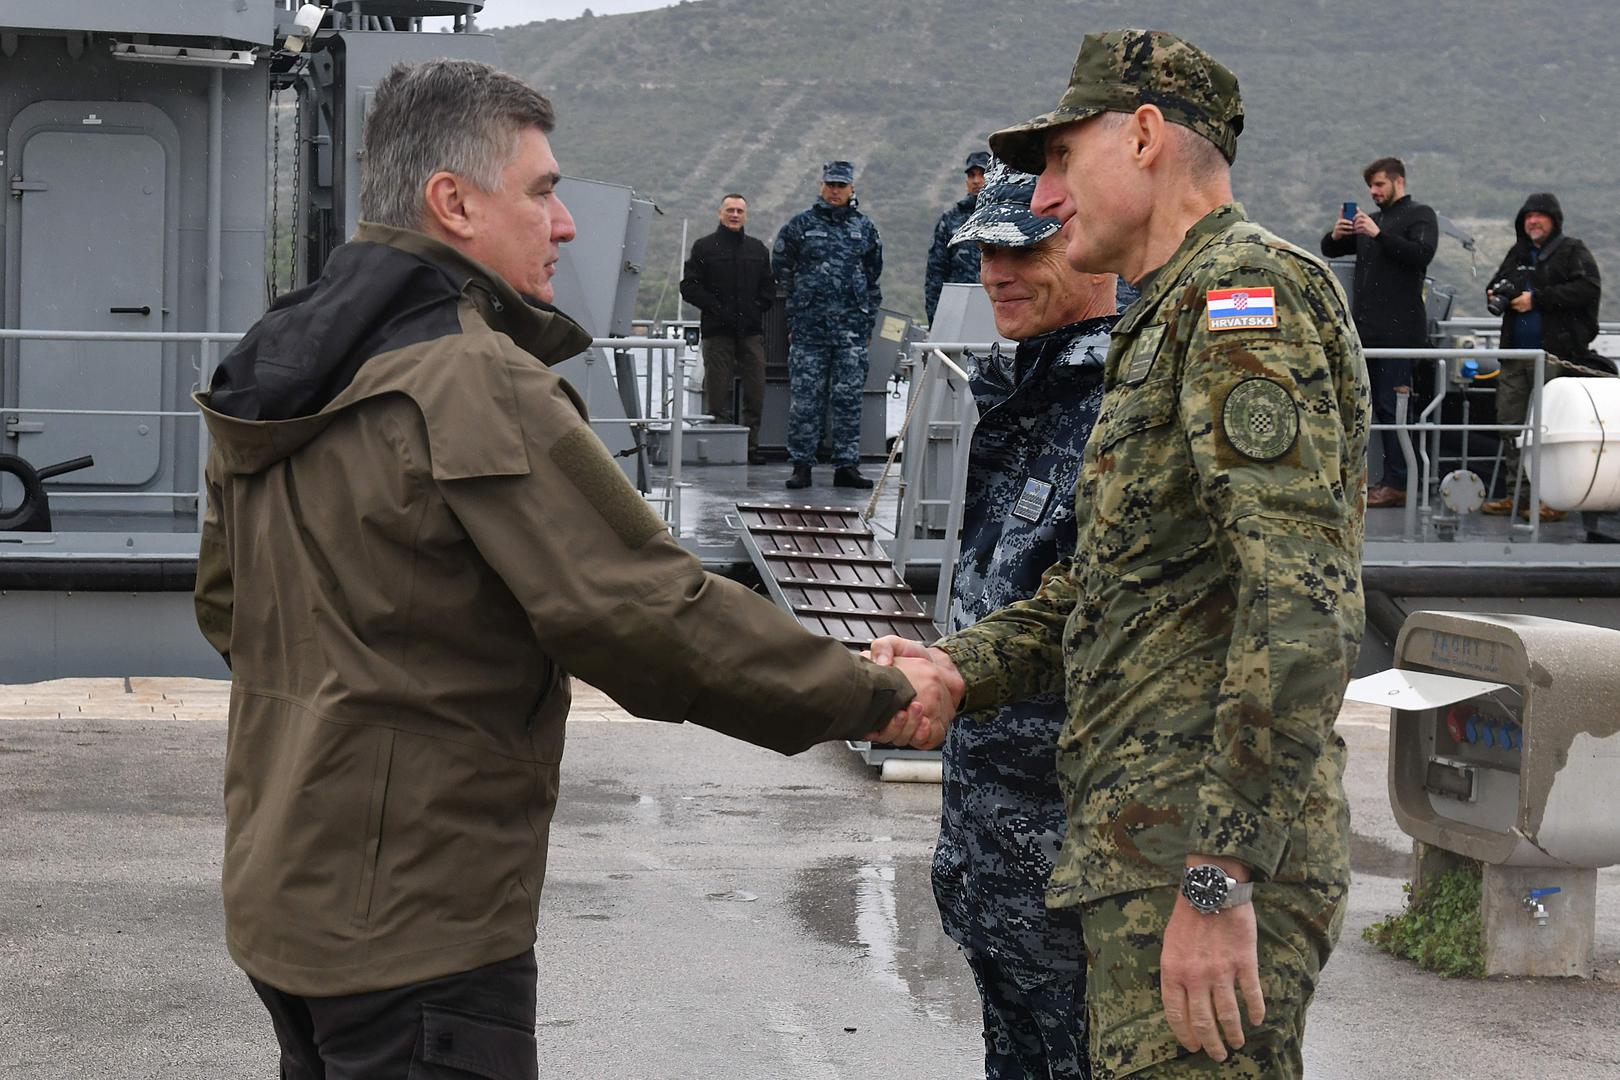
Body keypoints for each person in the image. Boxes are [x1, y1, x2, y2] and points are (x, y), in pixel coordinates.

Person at [191, 59, 943, 1078]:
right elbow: (646, 615)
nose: (567, 223)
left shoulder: (278, 365)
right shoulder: (472, 381)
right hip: (420, 925)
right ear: (451, 202)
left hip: (287, 896)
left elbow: (227, 606)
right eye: (542, 191)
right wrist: (874, 692)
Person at [874, 29, 1367, 1080]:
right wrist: (962, 668)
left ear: (1143, 137)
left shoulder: (1243, 300)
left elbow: (1300, 600)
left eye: (1061, 160)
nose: (1044, 200)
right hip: (1140, 854)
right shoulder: (1169, 319)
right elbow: (1102, 589)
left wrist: (1218, 879)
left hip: (1199, 863)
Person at [933, 156, 1120, 1080]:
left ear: (1089, 243)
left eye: (1022, 248)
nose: (996, 273)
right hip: (991, 844)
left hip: (1073, 853)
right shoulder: (1022, 390)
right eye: (982, 255)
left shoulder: (1123, 402)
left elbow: (1083, 611)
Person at [1320, 156, 1438, 509]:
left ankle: (1400, 484)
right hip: (1367, 335)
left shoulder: (1420, 215)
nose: (1373, 192)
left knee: (1394, 409)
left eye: (1379, 185)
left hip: (1401, 335)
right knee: (1363, 409)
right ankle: (1366, 479)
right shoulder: (1372, 221)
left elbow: (1421, 255)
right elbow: (1329, 249)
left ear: (1398, 182)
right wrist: (1338, 234)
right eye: (1370, 186)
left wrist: (1378, 234)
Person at [1482, 193, 1602, 521]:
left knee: (1549, 431)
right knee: (1511, 427)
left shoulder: (1572, 251)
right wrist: (1496, 293)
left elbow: (1587, 288)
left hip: (1557, 356)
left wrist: (1538, 299)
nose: (1532, 221)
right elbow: (1496, 285)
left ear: (1554, 220)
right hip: (1515, 357)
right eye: (1527, 217)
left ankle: (1554, 500)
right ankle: (1516, 496)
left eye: (1540, 216)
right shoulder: (1517, 253)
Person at [773, 160, 883, 490]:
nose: (835, 190)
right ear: (821, 186)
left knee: (848, 399)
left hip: (851, 330)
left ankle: (846, 466)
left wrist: (866, 321)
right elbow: (781, 267)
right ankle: (802, 465)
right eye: (830, 184)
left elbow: (873, 274)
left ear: (851, 189)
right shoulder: (800, 226)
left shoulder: (864, 228)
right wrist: (798, 306)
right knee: (806, 400)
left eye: (841, 185)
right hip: (809, 328)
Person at [680, 192, 774, 465]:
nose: (735, 215)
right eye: (730, 210)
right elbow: (689, 287)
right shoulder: (704, 248)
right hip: (717, 332)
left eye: (739, 211)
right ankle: (720, 446)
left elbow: (769, 288)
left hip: (750, 332)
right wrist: (716, 309)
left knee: (756, 389)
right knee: (717, 394)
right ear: (720, 213)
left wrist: (754, 309)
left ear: (746, 215)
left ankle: (751, 448)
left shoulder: (758, 250)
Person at [925, 149, 991, 324]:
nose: (976, 180)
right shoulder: (950, 219)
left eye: (982, 174)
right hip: (957, 313)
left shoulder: (1004, 216)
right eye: (971, 175)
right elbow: (935, 272)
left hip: (995, 309)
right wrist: (935, 320)